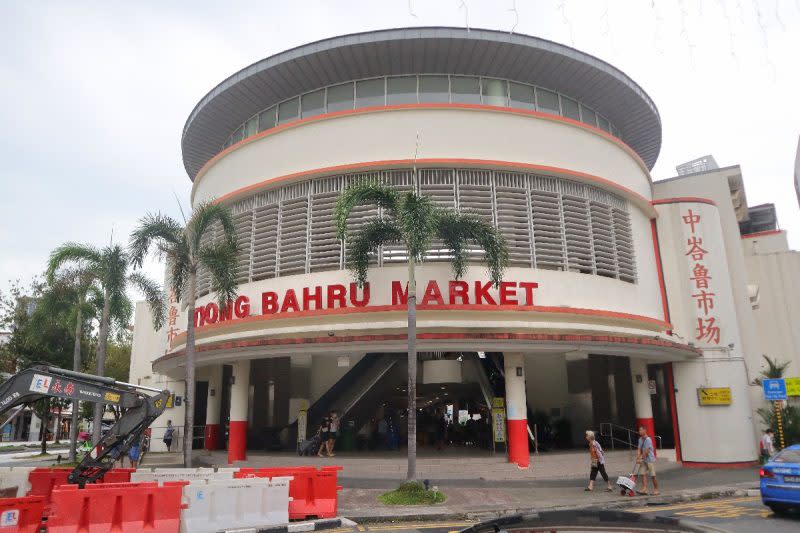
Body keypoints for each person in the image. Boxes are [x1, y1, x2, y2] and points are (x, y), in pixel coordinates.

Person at [636, 425, 659, 495]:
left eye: (641, 430)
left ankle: (656, 489)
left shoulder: (648, 439)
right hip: (644, 459)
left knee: (653, 475)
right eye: (639, 430)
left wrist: (641, 458)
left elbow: (647, 451)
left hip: (649, 460)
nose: (639, 431)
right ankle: (644, 489)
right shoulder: (640, 439)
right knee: (642, 474)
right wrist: (638, 457)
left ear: (645, 431)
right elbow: (639, 449)